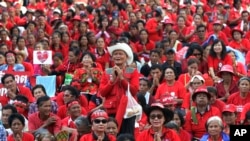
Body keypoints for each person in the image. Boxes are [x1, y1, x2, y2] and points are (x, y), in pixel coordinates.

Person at [99, 43, 139, 134]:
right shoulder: (107, 72)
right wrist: (111, 82)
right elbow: (102, 93)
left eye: (120, 54)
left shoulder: (132, 71)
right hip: (111, 111)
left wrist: (122, 78)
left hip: (128, 111)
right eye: (115, 54)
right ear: (112, 57)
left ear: (126, 56)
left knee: (126, 136)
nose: (118, 56)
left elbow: (134, 91)